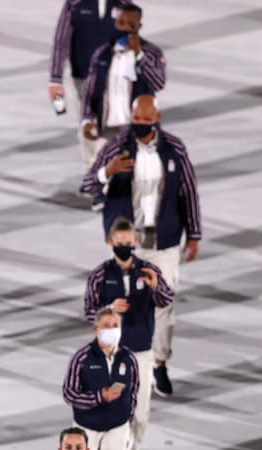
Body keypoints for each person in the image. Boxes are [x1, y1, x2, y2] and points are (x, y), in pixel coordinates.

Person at [83, 94, 200, 397]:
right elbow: (87, 184)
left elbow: (188, 191)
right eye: (136, 119)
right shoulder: (117, 145)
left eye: (146, 120)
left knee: (165, 301)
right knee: (122, 304)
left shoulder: (174, 148)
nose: (140, 125)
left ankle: (159, 360)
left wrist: (194, 234)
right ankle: (121, 366)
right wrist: (107, 171)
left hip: (165, 240)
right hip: (128, 242)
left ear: (157, 119)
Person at [83, 218, 172, 450]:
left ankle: (135, 448)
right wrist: (108, 309)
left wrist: (156, 287)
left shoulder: (148, 270)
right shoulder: (99, 275)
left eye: (128, 242)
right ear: (111, 242)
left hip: (141, 352)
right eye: (119, 243)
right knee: (115, 413)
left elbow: (166, 299)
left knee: (140, 413)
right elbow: (89, 312)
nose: (124, 247)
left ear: (135, 242)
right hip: (111, 355)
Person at [79, 4, 166, 186]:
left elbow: (158, 83)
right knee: (103, 172)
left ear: (139, 26)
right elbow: (90, 91)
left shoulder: (152, 52)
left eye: (130, 24)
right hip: (107, 127)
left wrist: (139, 55)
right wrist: (86, 119)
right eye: (120, 23)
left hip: (137, 127)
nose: (124, 28)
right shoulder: (102, 53)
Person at [63, 308, 139, 450]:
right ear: (96, 329)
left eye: (115, 325)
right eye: (106, 325)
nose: (112, 329)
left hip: (116, 428)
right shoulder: (82, 358)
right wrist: (99, 397)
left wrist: (126, 420)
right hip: (86, 430)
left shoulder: (128, 358)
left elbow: (134, 391)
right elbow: (69, 394)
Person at [48, 0, 130, 169]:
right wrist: (56, 79)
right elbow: (61, 41)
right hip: (83, 78)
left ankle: (104, 169)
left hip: (113, 79)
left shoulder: (123, 3)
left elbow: (131, 39)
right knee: (88, 126)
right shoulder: (74, 3)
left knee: (110, 127)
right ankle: (93, 169)